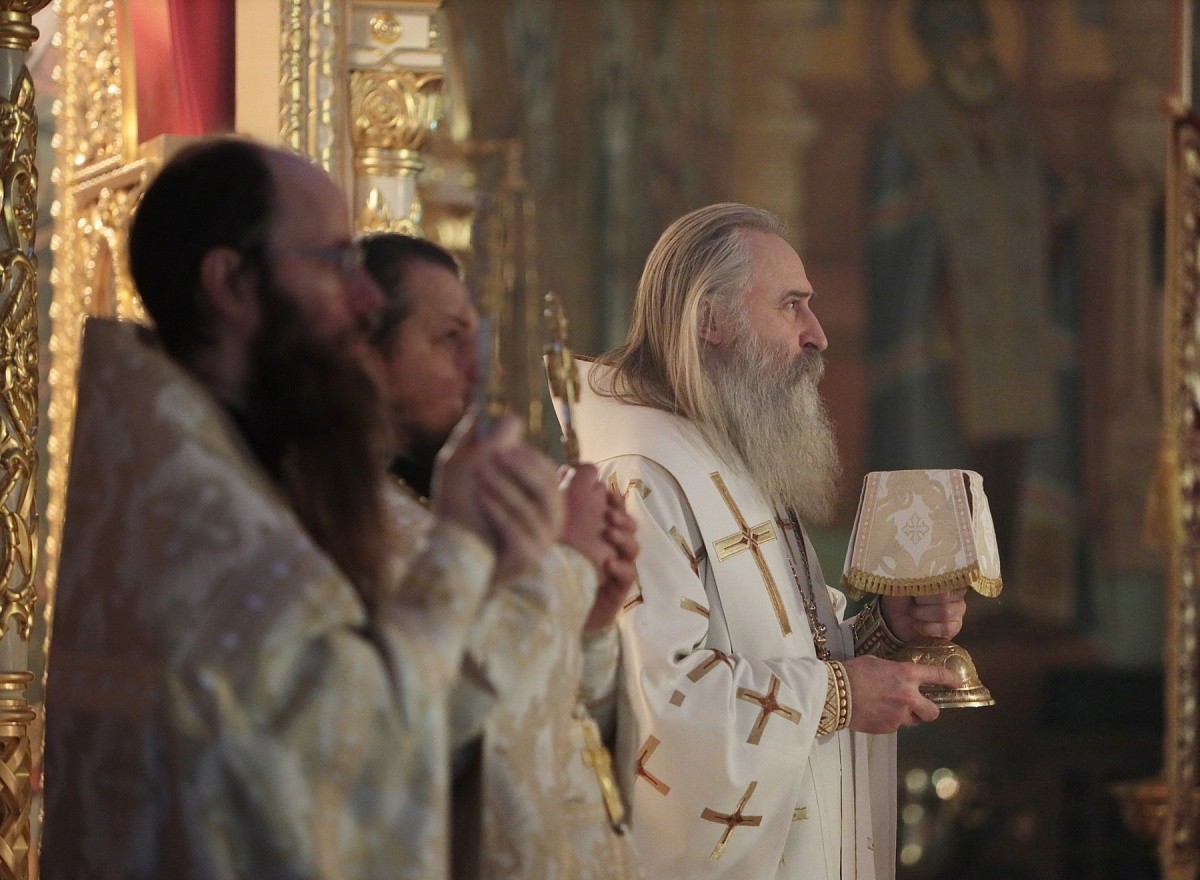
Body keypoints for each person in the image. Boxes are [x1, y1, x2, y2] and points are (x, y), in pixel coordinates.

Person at [40, 137, 572, 879]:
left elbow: (379, 730)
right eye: (334, 262)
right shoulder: (209, 531)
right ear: (232, 282)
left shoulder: (200, 475)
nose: (365, 300)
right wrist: (461, 547)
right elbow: (356, 758)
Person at [569, 203, 967, 880]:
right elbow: (656, 705)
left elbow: (789, 649)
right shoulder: (640, 472)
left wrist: (884, 632)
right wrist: (838, 695)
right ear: (710, 320)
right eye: (791, 306)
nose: (817, 335)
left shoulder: (726, 450)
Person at [362, 232, 641, 879]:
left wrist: (593, 623)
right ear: (366, 353)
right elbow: (454, 719)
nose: (479, 368)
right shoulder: (355, 525)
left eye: (477, 338)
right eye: (448, 338)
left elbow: (569, 717)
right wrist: (569, 567)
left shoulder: (466, 502)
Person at [866, 0, 1082, 619]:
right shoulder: (908, 131)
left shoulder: (1016, 123)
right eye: (957, 41)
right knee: (954, 465)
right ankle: (950, 604)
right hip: (951, 344)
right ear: (934, 48)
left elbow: (1053, 211)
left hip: (1020, 340)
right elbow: (896, 250)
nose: (973, 52)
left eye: (978, 38)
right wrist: (927, 321)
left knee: (1016, 462)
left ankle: (1019, 598)